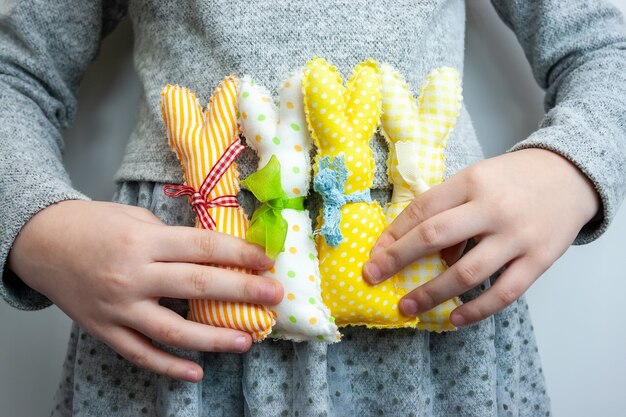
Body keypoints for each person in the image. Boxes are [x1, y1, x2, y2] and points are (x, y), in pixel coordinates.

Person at [1, 0, 625, 415]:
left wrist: (566, 169)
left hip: (433, 312)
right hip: (178, 316)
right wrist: (39, 228)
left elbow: (607, 47)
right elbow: (14, 72)